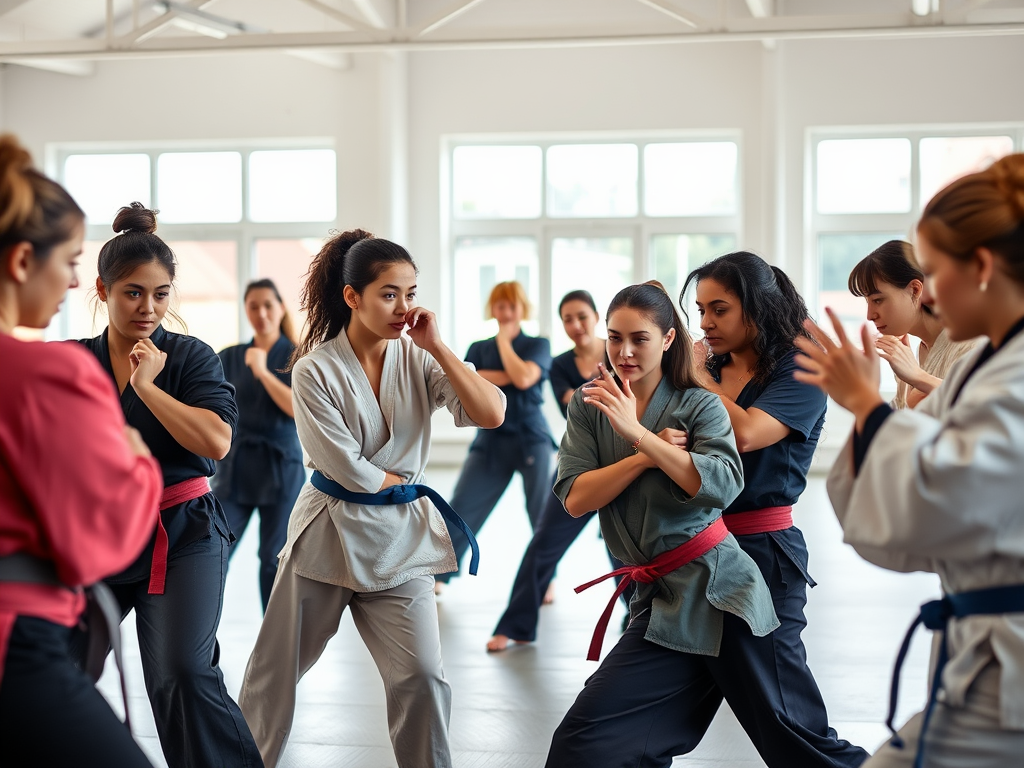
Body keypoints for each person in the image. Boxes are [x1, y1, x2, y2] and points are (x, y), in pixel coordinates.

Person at [238, 229, 505, 768]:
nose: (404, 307)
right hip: (326, 536)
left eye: (410, 292)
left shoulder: (420, 359)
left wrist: (439, 348)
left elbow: (492, 412)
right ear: (352, 297)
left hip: (402, 541)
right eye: (389, 294)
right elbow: (349, 471)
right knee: (274, 675)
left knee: (423, 677)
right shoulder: (315, 368)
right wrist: (399, 484)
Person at [798, 154, 1024, 767]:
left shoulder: (1011, 372)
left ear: (978, 267)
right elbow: (890, 511)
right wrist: (865, 405)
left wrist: (869, 405)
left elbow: (939, 499)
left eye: (932, 270)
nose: (927, 290)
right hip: (982, 645)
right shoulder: (985, 364)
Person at [545, 281, 779, 767]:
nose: (624, 352)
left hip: (722, 594)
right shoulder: (590, 405)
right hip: (658, 600)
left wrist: (637, 436)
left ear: (669, 340)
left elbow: (722, 485)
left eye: (639, 339)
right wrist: (644, 453)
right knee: (586, 742)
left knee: (792, 738)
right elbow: (575, 497)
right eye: (614, 338)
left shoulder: (699, 405)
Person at [77, 203, 263, 768]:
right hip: (97, 537)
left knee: (182, 672)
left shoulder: (191, 358)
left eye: (161, 294)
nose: (149, 307)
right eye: (133, 293)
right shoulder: (73, 364)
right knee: (54, 667)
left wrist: (148, 387)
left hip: (181, 534)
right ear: (103, 290)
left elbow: (216, 441)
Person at [0, 136, 161, 767]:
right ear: (20, 262)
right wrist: (136, 455)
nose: (73, 279)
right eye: (68, 260)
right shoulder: (45, 373)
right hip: (17, 642)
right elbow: (100, 542)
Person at [681, 251, 869, 767]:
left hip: (763, 557)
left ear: (756, 306)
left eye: (718, 309)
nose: (705, 323)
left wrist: (695, 376)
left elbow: (745, 433)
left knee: (790, 726)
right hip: (690, 559)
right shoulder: (713, 365)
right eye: (699, 310)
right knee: (617, 722)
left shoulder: (801, 365)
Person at [487, 289, 626, 652]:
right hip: (579, 463)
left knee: (625, 548)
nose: (576, 325)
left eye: (582, 316)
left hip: (624, 463)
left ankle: (640, 616)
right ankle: (515, 625)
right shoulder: (561, 363)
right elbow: (576, 403)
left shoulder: (621, 353)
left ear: (597, 317)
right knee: (544, 544)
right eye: (567, 319)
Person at [435, 280, 555, 589]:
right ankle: (440, 574)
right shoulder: (478, 348)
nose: (505, 311)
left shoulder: (537, 345)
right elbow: (460, 379)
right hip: (490, 442)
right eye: (500, 305)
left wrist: (503, 347)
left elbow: (525, 378)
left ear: (521, 308)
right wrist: (507, 375)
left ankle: (545, 579)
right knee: (462, 505)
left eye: (511, 305)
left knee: (541, 513)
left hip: (532, 439)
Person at [214, 278, 303, 612]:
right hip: (235, 469)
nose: (261, 313)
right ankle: (198, 638)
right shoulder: (229, 356)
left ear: (281, 308)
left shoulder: (298, 357)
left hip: (281, 468)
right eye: (254, 306)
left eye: (268, 305)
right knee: (214, 551)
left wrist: (264, 373)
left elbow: (298, 410)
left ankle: (275, 644)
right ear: (246, 311)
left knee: (273, 559)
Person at [848, 240, 980, 409]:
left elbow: (980, 410)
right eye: (868, 302)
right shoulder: (921, 349)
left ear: (915, 290)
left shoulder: (970, 343)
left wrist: (918, 377)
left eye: (878, 300)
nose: (870, 315)